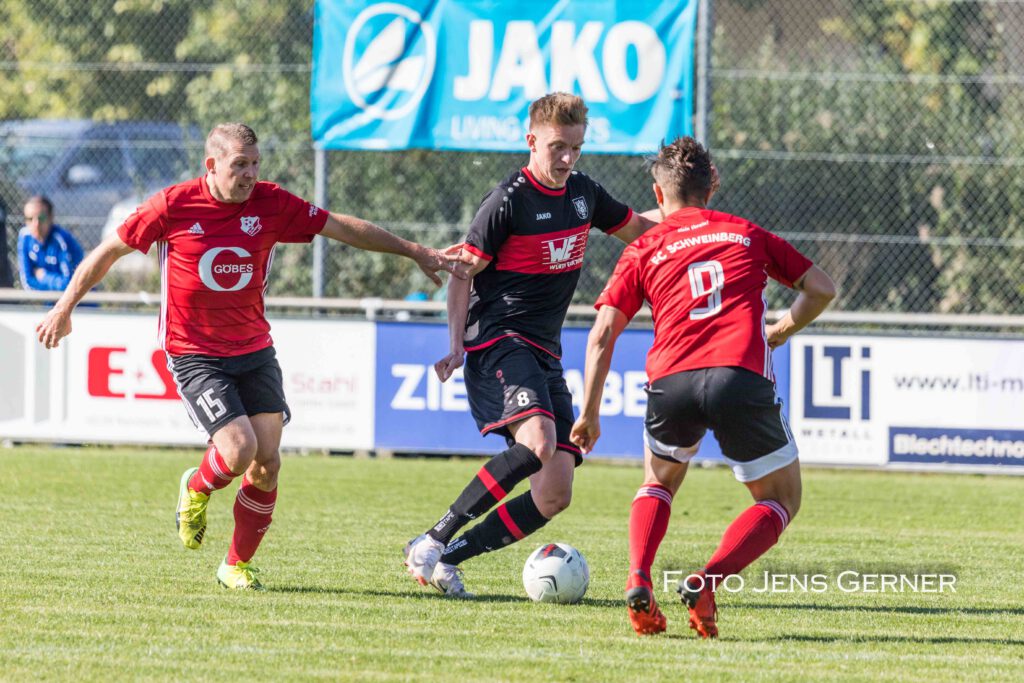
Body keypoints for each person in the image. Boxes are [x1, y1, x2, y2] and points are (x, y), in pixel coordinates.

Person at [36, 122, 466, 591]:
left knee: (267, 463)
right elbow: (109, 251)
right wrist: (64, 307)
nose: (249, 174)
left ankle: (234, 565)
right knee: (238, 451)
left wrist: (413, 251)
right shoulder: (173, 205)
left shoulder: (271, 203)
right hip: (195, 353)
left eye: (255, 163)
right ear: (212, 165)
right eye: (240, 164)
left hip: (255, 349)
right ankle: (196, 488)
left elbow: (339, 226)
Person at [570, 137, 836, 637]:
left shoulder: (644, 247)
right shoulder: (747, 233)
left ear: (658, 192)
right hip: (739, 376)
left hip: (673, 381)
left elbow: (602, 333)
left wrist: (589, 412)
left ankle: (638, 577)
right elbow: (822, 288)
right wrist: (780, 330)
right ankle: (706, 582)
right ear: (711, 187)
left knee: (658, 481)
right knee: (781, 499)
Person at [403, 92, 658, 598]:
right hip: (498, 338)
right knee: (537, 443)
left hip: (545, 350)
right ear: (531, 141)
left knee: (554, 491)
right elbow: (462, 274)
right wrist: (455, 346)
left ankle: (449, 558)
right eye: (558, 147)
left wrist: (692, 221)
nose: (567, 159)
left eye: (576, 148)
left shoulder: (584, 193)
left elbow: (636, 229)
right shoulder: (507, 201)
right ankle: (432, 540)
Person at [18, 196, 84, 291]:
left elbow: (70, 286)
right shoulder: (24, 236)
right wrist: (48, 290)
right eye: (30, 219)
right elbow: (27, 281)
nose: (36, 224)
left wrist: (44, 276)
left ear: (51, 218)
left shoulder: (62, 240)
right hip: (45, 298)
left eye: (41, 218)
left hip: (81, 299)